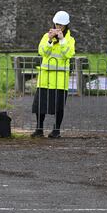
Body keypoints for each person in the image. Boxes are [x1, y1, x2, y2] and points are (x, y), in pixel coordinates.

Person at [31, 10, 76, 138]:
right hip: (45, 78)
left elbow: (68, 54)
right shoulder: (46, 36)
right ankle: (39, 129)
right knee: (40, 105)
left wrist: (61, 40)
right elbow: (42, 52)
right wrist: (50, 40)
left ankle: (56, 130)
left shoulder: (70, 40)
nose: (58, 27)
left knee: (58, 107)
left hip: (60, 80)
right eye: (57, 24)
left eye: (61, 25)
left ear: (66, 25)